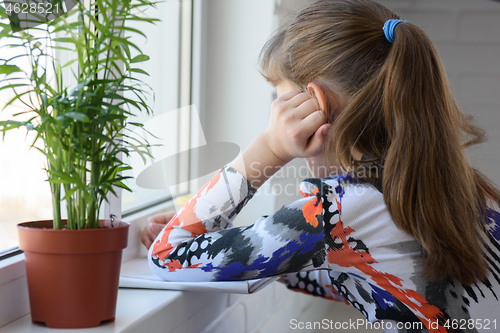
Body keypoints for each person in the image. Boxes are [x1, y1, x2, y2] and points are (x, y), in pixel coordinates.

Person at [141, 0, 500, 331]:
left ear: (314, 105)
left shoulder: (344, 206)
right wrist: (245, 246)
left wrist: (270, 147)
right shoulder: (466, 190)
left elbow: (166, 255)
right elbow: (358, 274)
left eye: (280, 102)